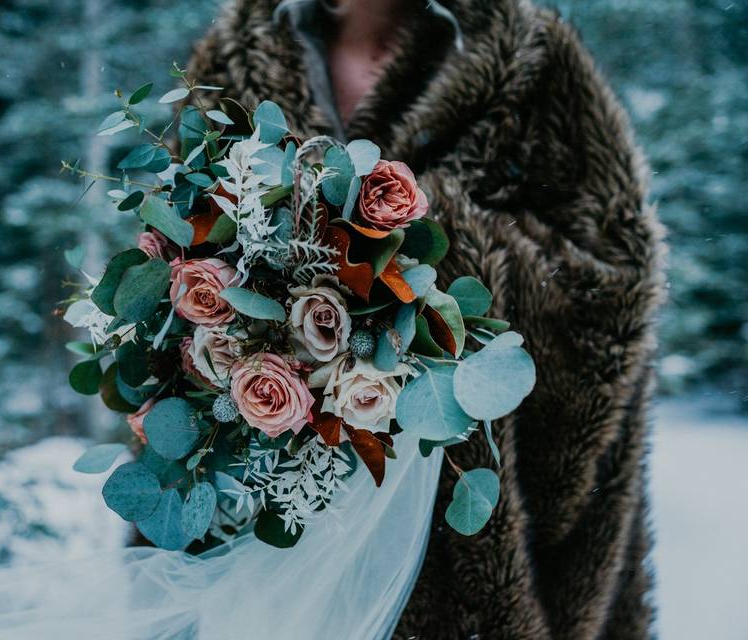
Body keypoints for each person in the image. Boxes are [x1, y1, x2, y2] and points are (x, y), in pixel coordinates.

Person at [184, 0, 665, 638]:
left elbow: (613, 278)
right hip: (276, 529)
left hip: (464, 534)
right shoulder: (234, 58)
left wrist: (430, 258)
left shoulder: (529, 52)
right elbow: (173, 257)